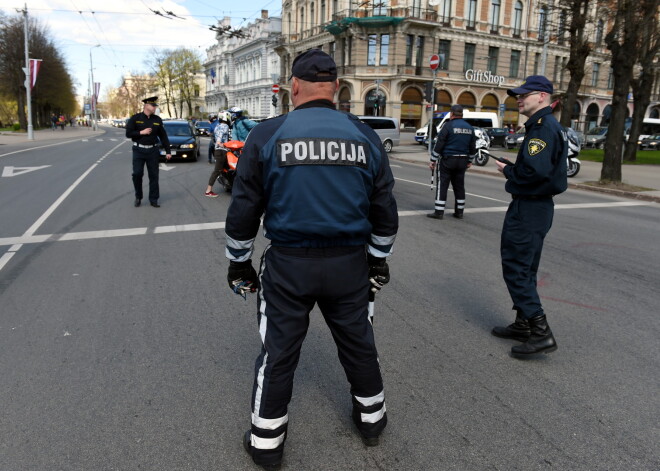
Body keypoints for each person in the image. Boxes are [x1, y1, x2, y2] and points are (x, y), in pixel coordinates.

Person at [224, 49, 398, 469]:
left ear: (293, 86)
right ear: (336, 88)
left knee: (279, 352)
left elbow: (244, 209)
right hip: (349, 264)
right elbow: (384, 211)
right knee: (359, 343)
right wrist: (377, 259)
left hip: (289, 265)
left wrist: (239, 263)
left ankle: (266, 444)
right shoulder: (364, 135)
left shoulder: (266, 135)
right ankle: (372, 421)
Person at [491, 75, 568, 358]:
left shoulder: (542, 128)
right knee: (525, 266)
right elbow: (540, 169)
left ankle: (540, 331)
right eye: (518, 95)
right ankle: (524, 323)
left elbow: (532, 173)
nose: (519, 99)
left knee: (516, 267)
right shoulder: (546, 126)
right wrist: (515, 167)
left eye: (525, 94)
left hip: (530, 207)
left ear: (543, 97)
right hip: (537, 206)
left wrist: (508, 171)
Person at [427, 104, 477, 220]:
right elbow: (472, 146)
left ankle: (439, 212)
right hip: (462, 161)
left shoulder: (448, 126)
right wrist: (470, 160)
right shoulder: (469, 127)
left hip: (448, 160)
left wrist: (433, 160)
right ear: (462, 114)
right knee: (459, 186)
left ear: (452, 114)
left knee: (442, 185)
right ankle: (459, 212)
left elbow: (440, 144)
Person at [125, 96, 171, 208]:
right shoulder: (135, 118)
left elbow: (163, 136)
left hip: (153, 151)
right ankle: (138, 196)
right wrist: (141, 132)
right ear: (146, 106)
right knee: (137, 174)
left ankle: (154, 199)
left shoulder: (157, 120)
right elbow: (128, 133)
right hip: (138, 150)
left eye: (155, 105)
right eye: (153, 105)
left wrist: (168, 151)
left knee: (154, 176)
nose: (155, 107)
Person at [205, 111, 231, 197]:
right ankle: (208, 191)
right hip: (221, 150)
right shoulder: (225, 126)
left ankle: (227, 184)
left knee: (224, 168)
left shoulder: (217, 126)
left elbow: (215, 134)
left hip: (218, 150)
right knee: (217, 171)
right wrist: (220, 143)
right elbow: (220, 136)